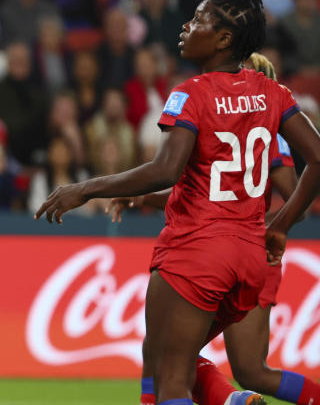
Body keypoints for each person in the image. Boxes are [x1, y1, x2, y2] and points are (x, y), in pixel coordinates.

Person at [35, 0, 320, 404]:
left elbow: (164, 169)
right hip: (248, 256)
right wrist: (279, 225)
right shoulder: (273, 94)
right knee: (177, 358)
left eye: (199, 19)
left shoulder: (191, 93)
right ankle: (231, 400)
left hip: (198, 250)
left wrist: (85, 188)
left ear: (224, 39)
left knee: (169, 377)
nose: (186, 26)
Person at [110, 52, 320, 405]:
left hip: (217, 250)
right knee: (250, 369)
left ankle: (229, 402)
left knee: (165, 354)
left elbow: (287, 195)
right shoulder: (265, 127)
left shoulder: (252, 126)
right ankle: (236, 400)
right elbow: (212, 195)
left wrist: (264, 225)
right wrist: (145, 198)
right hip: (249, 253)